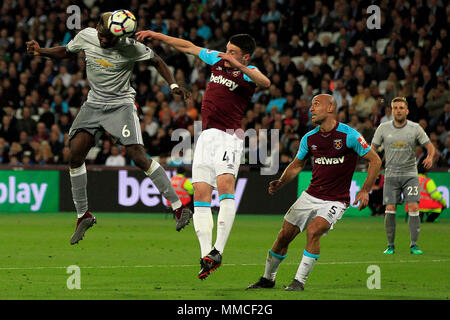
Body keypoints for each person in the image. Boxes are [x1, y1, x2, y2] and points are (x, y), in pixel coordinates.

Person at [26, 11, 193, 245]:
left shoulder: (131, 47)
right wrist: (40, 51)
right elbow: (66, 51)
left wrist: (173, 84)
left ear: (120, 36)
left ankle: (179, 207)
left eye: (108, 38)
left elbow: (157, 60)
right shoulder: (87, 36)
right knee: (74, 155)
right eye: (102, 34)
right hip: (93, 104)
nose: (103, 39)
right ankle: (83, 215)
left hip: (120, 106)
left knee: (137, 156)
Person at [136, 30, 271, 280]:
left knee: (225, 185)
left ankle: (218, 249)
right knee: (200, 193)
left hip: (230, 136)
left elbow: (265, 83)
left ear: (246, 56)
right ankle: (206, 255)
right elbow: (187, 45)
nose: (227, 54)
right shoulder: (217, 60)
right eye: (227, 49)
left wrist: (239, 65)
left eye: (233, 52)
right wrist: (156, 35)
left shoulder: (249, 72)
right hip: (206, 135)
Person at [247, 94, 381, 291]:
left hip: (335, 200)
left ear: (330, 108)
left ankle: (298, 282)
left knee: (314, 230)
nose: (311, 108)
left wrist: (365, 190)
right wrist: (281, 182)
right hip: (310, 196)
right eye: (311, 105)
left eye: (316, 104)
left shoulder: (349, 135)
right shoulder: (309, 138)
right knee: (284, 236)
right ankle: (268, 278)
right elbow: (297, 164)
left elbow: (375, 160)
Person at [371, 96, 435, 255]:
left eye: (401, 108)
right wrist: (374, 160)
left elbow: (430, 146)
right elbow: (372, 148)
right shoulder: (383, 128)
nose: (398, 111)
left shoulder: (415, 128)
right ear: (391, 111)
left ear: (407, 111)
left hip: (410, 175)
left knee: (413, 206)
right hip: (391, 176)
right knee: (390, 208)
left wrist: (429, 156)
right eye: (395, 108)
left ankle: (414, 245)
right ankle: (390, 245)